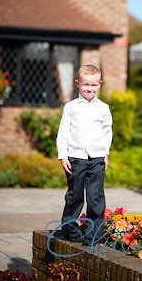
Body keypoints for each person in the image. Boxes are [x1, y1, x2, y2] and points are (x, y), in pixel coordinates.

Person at [55, 64, 112, 244]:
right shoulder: (70, 107)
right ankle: (70, 232)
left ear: (100, 84)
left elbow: (106, 132)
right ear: (78, 84)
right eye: (86, 84)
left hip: (97, 159)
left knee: (95, 197)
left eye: (94, 85)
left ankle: (93, 234)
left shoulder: (103, 108)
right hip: (75, 159)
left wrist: (105, 154)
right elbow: (63, 132)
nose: (90, 88)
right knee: (75, 196)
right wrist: (63, 155)